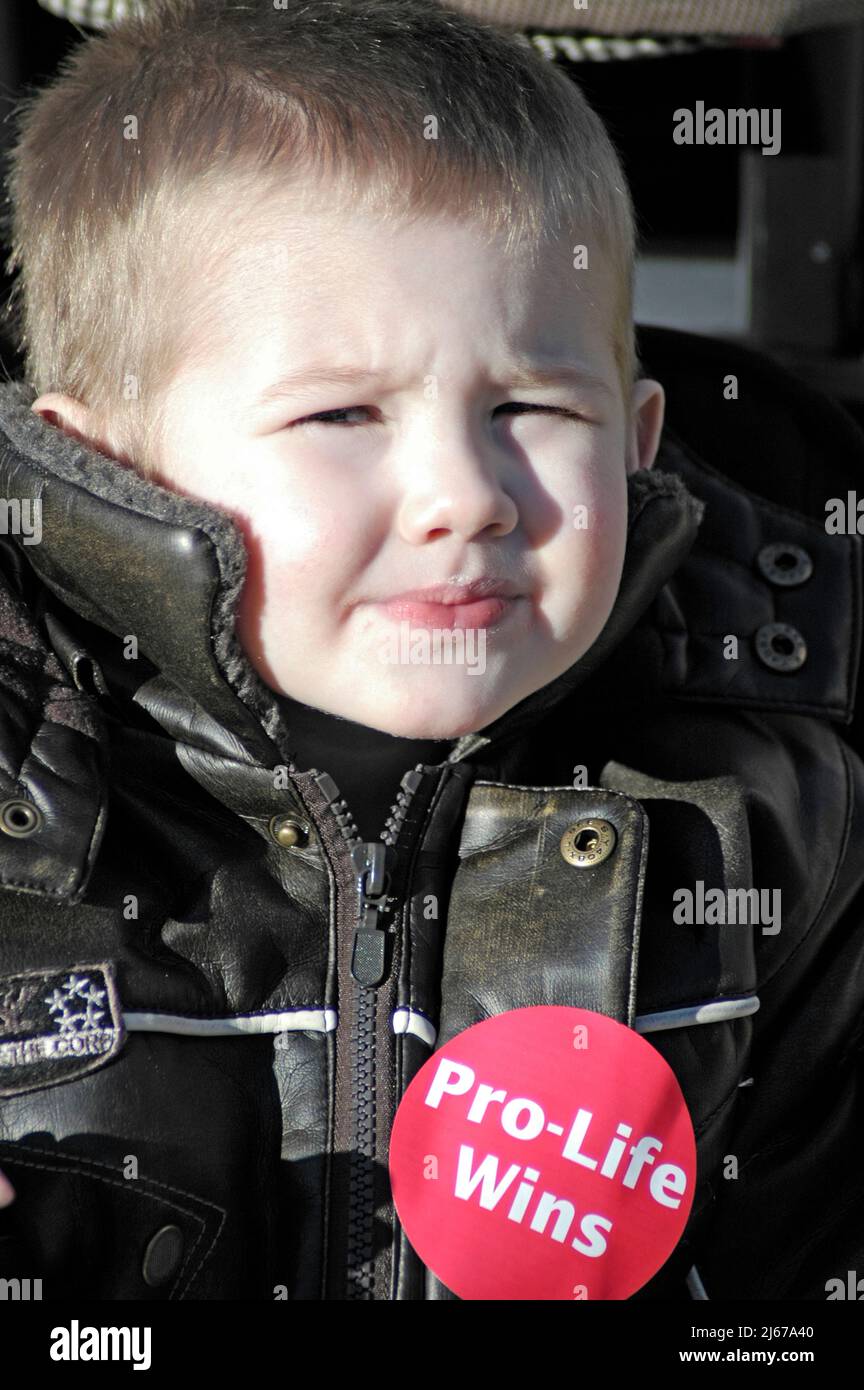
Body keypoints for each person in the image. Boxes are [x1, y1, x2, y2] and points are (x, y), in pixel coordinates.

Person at [0, 0, 861, 1301]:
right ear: (101, 464)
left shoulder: (772, 819)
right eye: (342, 412)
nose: (467, 493)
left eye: (531, 406)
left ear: (637, 442)